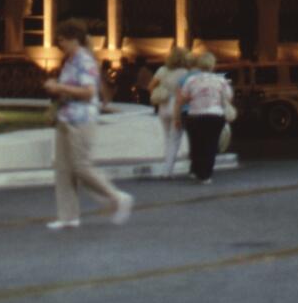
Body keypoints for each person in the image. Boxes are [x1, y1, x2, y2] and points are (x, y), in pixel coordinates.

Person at [43, 19, 134, 229]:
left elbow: (88, 92)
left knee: (81, 165)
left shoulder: (85, 61)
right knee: (63, 169)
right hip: (66, 117)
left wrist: (59, 87)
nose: (60, 44)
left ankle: (116, 196)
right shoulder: (69, 61)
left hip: (81, 119)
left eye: (62, 40)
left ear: (74, 39)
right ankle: (68, 216)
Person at [178, 50, 234, 185]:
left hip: (195, 115)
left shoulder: (192, 80)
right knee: (211, 144)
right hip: (215, 115)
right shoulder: (220, 80)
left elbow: (183, 98)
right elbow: (228, 96)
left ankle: (197, 170)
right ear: (213, 65)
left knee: (197, 144)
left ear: (199, 64)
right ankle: (206, 174)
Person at [149, 48, 192, 177]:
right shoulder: (185, 73)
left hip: (163, 104)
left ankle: (166, 168)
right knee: (175, 139)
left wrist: (160, 92)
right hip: (177, 105)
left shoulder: (162, 70)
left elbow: (151, 86)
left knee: (167, 138)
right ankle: (168, 171)